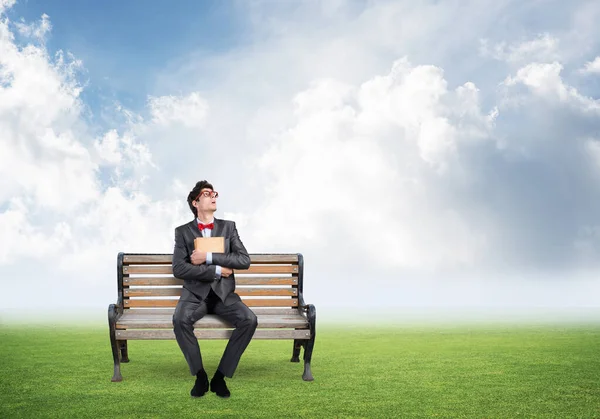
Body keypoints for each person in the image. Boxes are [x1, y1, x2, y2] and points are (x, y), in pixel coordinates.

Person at [172, 180, 257, 398]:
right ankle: (200, 375)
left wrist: (208, 257)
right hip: (195, 296)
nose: (213, 196)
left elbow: (243, 259)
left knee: (249, 319)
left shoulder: (229, 227)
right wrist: (217, 270)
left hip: (223, 296)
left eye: (215, 193)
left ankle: (220, 376)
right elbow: (179, 268)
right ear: (195, 202)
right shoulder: (182, 232)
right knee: (180, 320)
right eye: (207, 193)